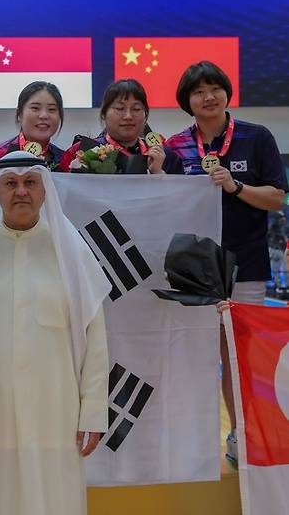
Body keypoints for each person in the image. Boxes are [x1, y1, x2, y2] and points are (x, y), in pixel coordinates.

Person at [0, 151, 111, 515]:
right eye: (10, 184)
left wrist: (93, 410)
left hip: (56, 412)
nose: (21, 192)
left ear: (45, 190)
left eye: (30, 182)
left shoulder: (71, 253)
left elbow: (95, 339)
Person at [165, 60, 287, 463]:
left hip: (247, 266)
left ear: (226, 92)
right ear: (188, 101)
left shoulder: (257, 138)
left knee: (243, 356)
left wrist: (235, 187)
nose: (208, 96)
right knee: (200, 354)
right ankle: (197, 436)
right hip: (196, 271)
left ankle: (243, 434)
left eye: (214, 88)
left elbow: (275, 197)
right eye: (198, 91)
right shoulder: (175, 146)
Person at [59, 79, 184, 174]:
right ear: (104, 114)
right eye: (120, 108)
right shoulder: (80, 152)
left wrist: (158, 174)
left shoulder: (165, 157)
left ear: (145, 115)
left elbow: (178, 203)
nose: (128, 116)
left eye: (136, 109)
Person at [0, 81, 66, 169]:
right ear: (19, 114)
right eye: (35, 108)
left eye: (51, 109)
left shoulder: (66, 161)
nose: (44, 115)